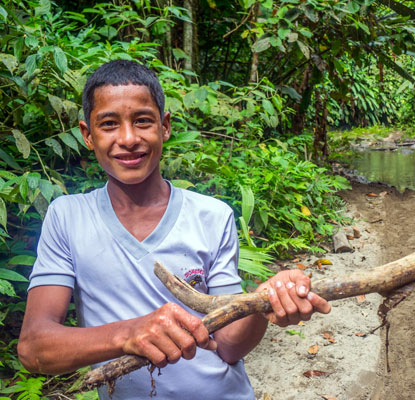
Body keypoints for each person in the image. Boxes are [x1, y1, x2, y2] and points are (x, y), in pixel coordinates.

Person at [17, 59, 331, 399]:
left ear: (164, 127)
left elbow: (227, 346)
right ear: (87, 135)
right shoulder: (67, 217)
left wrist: (263, 303)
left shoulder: (212, 215)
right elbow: (34, 347)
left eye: (143, 121)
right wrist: (128, 334)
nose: (127, 138)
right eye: (108, 124)